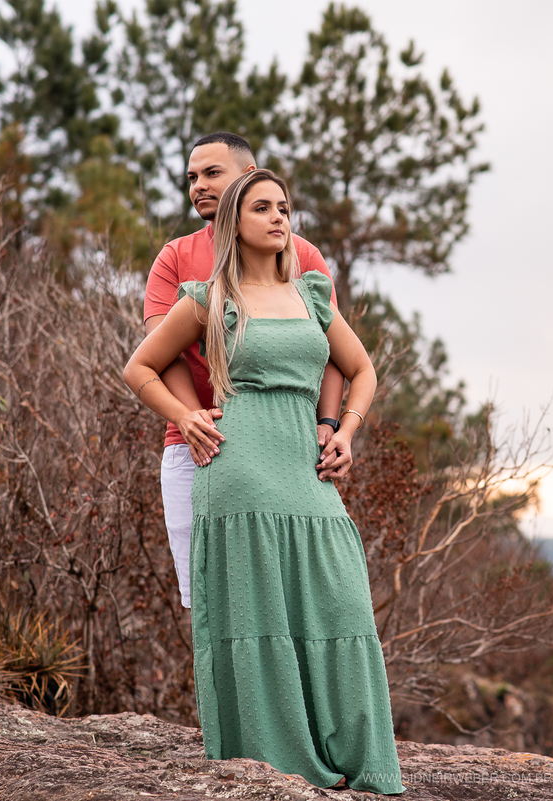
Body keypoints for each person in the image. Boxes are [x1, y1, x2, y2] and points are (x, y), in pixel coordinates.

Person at [123, 169, 404, 794]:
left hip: (305, 464)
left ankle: (356, 755)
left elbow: (361, 369)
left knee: (341, 601)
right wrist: (185, 416)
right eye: (262, 208)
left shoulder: (311, 293)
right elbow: (140, 366)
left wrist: (346, 432)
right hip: (238, 469)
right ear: (234, 222)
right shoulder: (206, 299)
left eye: (283, 207)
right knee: (258, 612)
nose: (279, 218)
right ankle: (276, 763)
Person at [143, 132, 349, 609]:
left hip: (289, 446)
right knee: (213, 600)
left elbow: (333, 352)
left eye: (212, 173)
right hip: (195, 447)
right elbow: (162, 352)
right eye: (191, 177)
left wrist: (328, 424)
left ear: (248, 177)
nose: (198, 186)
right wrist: (193, 420)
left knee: (302, 596)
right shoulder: (175, 257)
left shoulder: (302, 256)